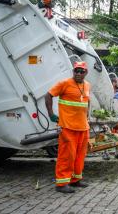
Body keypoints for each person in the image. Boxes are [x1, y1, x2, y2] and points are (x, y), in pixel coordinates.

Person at [45, 61, 90, 193]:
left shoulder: (87, 85)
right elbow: (48, 95)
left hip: (83, 128)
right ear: (73, 71)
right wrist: (51, 114)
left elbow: (87, 101)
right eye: (76, 70)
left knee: (79, 156)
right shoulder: (64, 83)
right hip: (67, 127)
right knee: (66, 156)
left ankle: (75, 180)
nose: (78, 73)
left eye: (81, 71)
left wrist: (88, 116)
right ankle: (61, 184)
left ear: (86, 73)